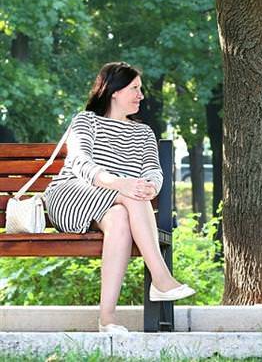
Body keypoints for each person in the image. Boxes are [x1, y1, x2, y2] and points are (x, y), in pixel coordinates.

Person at [44, 62, 195, 333]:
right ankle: (161, 279)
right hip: (71, 195)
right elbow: (80, 162)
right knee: (131, 197)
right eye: (134, 88)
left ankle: (107, 318)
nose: (141, 95)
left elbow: (152, 170)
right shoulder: (86, 121)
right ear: (114, 91)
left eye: (140, 89)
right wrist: (120, 184)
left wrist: (150, 186)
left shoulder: (143, 132)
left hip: (115, 203)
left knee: (122, 215)